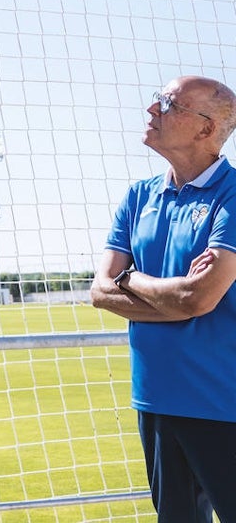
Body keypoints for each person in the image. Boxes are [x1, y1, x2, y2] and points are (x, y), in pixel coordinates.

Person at [90, 76, 236, 522]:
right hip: (155, 399)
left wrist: (131, 280)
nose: (152, 111)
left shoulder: (232, 195)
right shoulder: (138, 196)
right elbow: (99, 291)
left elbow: (198, 299)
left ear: (206, 129)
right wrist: (168, 294)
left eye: (168, 104)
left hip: (223, 402)